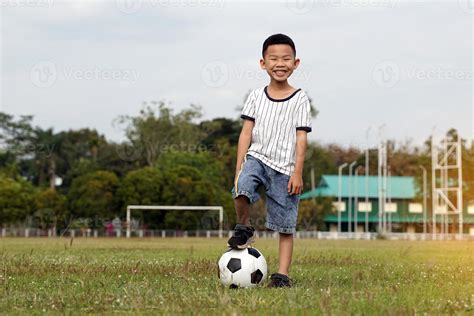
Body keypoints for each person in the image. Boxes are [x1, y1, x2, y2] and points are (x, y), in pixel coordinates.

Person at [228, 34, 312, 288]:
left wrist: (297, 173)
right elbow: (246, 133)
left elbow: (301, 139)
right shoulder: (255, 96)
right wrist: (239, 166)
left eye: (286, 58)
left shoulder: (300, 99)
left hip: (285, 168)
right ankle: (244, 228)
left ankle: (282, 275)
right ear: (263, 63)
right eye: (273, 58)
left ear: (295, 63)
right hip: (257, 157)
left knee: (285, 225)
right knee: (241, 188)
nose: (280, 63)